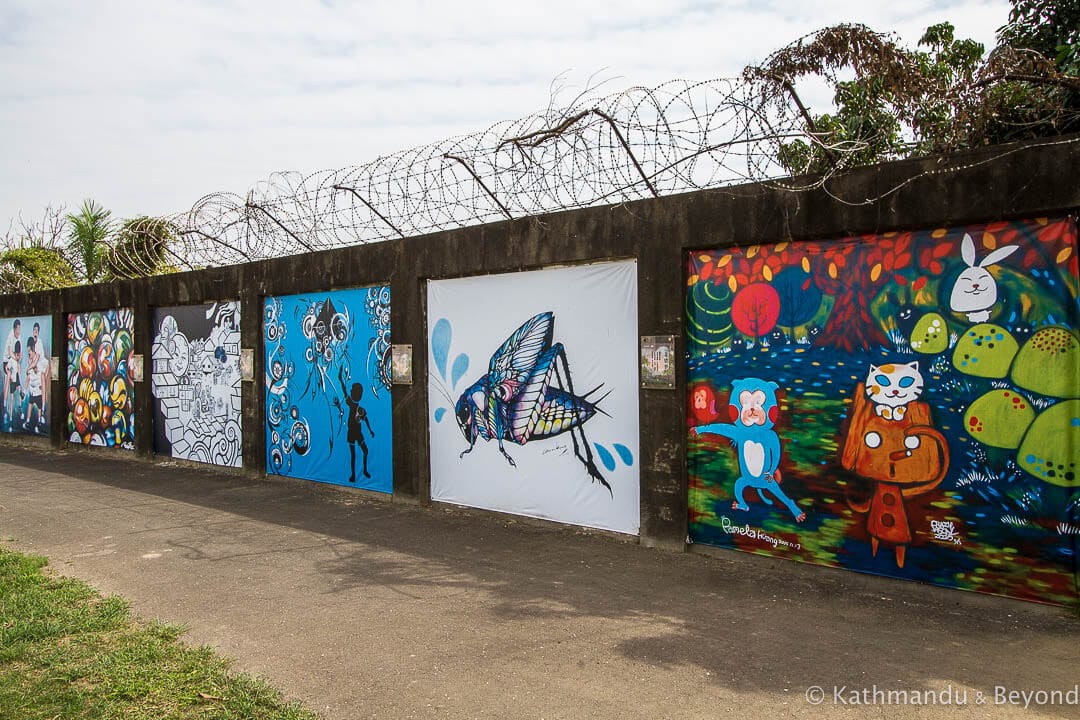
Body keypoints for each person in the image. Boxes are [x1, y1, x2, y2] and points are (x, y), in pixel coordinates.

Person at [338, 364, 374, 482]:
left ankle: (364, 470)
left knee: (365, 451)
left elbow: (366, 419)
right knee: (353, 454)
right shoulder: (352, 404)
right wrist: (339, 377)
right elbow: (343, 390)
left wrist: (370, 431)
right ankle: (354, 474)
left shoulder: (360, 408)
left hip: (358, 432)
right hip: (352, 432)